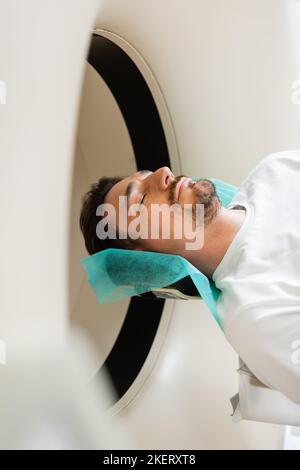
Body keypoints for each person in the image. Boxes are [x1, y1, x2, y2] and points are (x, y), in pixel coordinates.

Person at [80, 150, 300, 405]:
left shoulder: (276, 170)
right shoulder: (256, 316)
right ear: (147, 261)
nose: (163, 173)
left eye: (149, 174)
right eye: (140, 199)